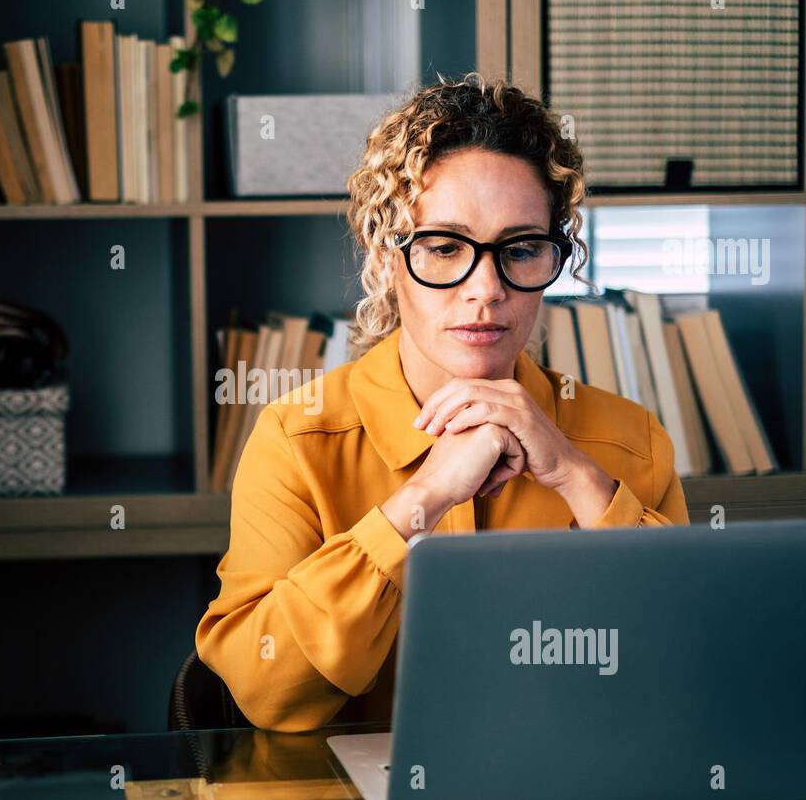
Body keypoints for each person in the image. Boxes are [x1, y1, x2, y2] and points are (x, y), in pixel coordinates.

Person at [196, 74, 689, 732]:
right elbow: (269, 694)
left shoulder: (631, 438)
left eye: (520, 249)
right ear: (384, 257)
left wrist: (575, 475)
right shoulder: (295, 438)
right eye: (445, 247)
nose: (486, 289)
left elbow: (685, 670)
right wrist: (418, 502)